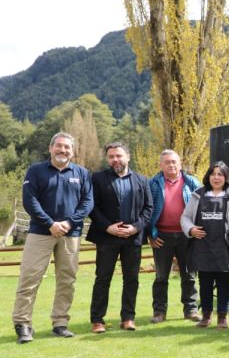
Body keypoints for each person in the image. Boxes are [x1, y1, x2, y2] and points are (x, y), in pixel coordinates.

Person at [12, 132, 93, 344]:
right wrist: (50, 223)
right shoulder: (36, 171)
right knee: (30, 278)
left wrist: (68, 223)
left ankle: (60, 323)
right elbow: (30, 201)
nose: (63, 150)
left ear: (72, 151)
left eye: (67, 147)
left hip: (71, 234)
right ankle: (23, 325)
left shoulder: (82, 173)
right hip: (40, 233)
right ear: (50, 148)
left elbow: (87, 202)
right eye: (59, 146)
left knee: (67, 280)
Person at [88, 142, 153, 333]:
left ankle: (128, 318)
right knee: (102, 279)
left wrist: (135, 228)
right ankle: (97, 320)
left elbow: (149, 209)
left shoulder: (142, 180)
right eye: (111, 157)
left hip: (132, 239)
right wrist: (107, 227)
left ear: (128, 157)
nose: (115, 160)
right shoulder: (98, 179)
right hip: (107, 237)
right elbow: (92, 207)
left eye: (118, 156)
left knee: (131, 279)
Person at [181, 161, 229, 329]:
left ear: (226, 177)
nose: (216, 177)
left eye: (220, 174)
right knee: (204, 284)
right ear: (208, 176)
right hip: (202, 248)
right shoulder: (197, 195)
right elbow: (185, 217)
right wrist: (191, 230)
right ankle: (206, 316)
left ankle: (222, 317)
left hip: (225, 248)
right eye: (213, 174)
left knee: (223, 284)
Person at [147, 149, 202, 323]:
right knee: (161, 276)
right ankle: (159, 312)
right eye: (167, 162)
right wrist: (151, 233)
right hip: (162, 236)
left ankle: (191, 310)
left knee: (189, 275)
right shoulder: (153, 184)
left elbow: (203, 207)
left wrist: (195, 229)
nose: (171, 165)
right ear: (161, 165)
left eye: (174, 162)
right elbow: (146, 210)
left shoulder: (192, 182)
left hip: (187, 235)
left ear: (180, 163)